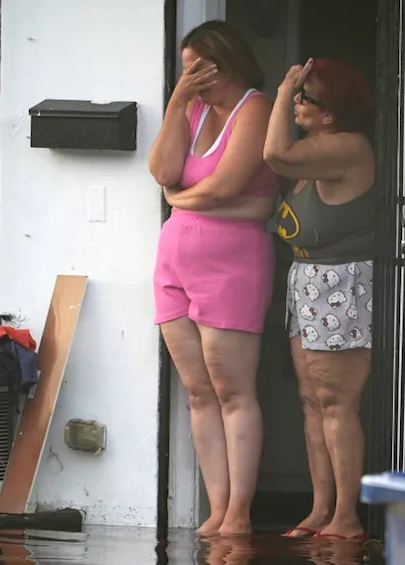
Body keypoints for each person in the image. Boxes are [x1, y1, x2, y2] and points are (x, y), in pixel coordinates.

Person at [148, 21, 279, 536]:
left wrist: (180, 199)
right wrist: (177, 102)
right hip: (175, 263)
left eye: (194, 69)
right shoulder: (193, 107)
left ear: (219, 63)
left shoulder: (257, 108)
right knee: (197, 391)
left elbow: (225, 186)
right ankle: (217, 509)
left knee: (232, 389)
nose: (189, 78)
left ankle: (240, 513)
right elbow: (162, 169)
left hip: (232, 267)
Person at [263, 58, 376, 541]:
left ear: (332, 114)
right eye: (298, 93)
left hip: (340, 282)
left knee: (336, 401)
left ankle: (347, 517)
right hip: (306, 280)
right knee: (312, 401)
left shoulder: (346, 148)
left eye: (306, 97)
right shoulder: (316, 150)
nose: (296, 101)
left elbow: (273, 155)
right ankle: (320, 509)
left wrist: (283, 87)